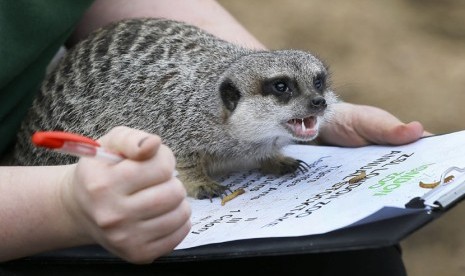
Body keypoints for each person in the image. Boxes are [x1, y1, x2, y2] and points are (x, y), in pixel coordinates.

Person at [0, 0, 426, 274]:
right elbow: (182, 146)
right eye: (284, 91)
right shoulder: (194, 117)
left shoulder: (244, 102)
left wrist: (308, 119)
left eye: (320, 87)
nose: (316, 102)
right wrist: (65, 204)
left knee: (353, 256)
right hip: (46, 185)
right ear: (230, 100)